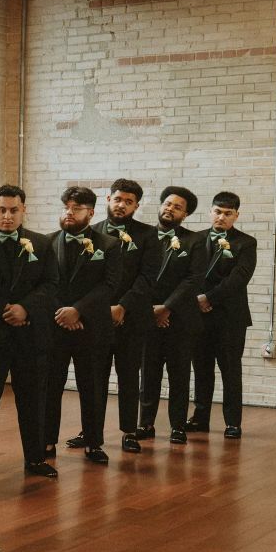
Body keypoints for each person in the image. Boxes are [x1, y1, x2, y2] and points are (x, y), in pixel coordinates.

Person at [0, 184, 58, 479]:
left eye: (14, 210)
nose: (7, 216)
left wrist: (25, 309)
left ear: (24, 210)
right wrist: (5, 311)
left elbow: (51, 286)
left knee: (33, 401)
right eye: (2, 210)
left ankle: (35, 459)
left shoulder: (42, 244)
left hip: (30, 335)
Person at [76, 179, 160, 453]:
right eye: (118, 199)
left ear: (136, 206)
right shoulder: (91, 232)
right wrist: (102, 309)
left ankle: (128, 431)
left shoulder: (148, 235)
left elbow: (147, 278)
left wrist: (122, 306)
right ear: (108, 199)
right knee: (94, 379)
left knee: (128, 377)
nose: (122, 205)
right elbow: (85, 279)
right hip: (96, 319)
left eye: (129, 201)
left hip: (133, 318)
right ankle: (91, 434)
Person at [41, 186, 122, 465]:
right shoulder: (47, 242)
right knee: (51, 385)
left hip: (92, 328)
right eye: (65, 207)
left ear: (90, 212)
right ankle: (46, 440)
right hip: (55, 325)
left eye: (75, 209)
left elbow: (109, 285)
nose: (68, 213)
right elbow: (44, 285)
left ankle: (93, 441)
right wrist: (62, 313)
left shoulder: (108, 245)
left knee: (92, 386)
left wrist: (78, 311)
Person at [135, 186, 207, 450]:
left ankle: (178, 426)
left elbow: (194, 278)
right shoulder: (142, 236)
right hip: (146, 317)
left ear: (185, 214)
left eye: (177, 207)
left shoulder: (195, 241)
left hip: (180, 318)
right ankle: (145, 423)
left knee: (179, 374)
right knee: (148, 372)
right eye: (167, 203)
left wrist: (166, 307)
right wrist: (150, 309)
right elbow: (135, 276)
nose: (169, 209)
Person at [188, 191, 257, 439]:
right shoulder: (195, 239)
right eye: (218, 211)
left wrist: (209, 298)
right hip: (198, 315)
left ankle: (232, 422)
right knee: (201, 368)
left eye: (228, 213)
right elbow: (188, 274)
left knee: (230, 370)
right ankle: (200, 418)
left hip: (230, 317)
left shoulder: (246, 243)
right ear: (210, 212)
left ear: (236, 216)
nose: (221, 217)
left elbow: (239, 278)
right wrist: (197, 298)